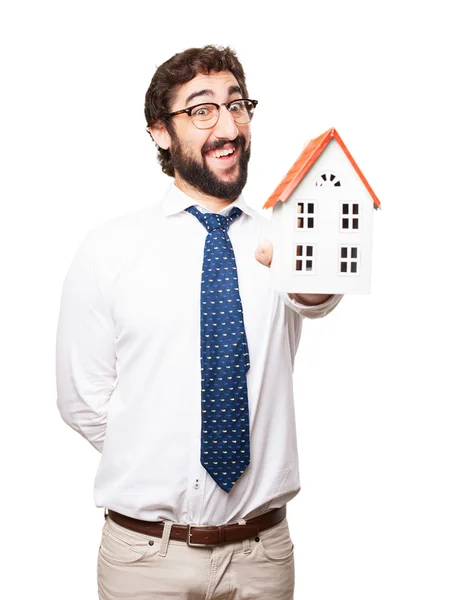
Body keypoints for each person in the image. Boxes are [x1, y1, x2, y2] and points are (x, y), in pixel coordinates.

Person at [56, 44, 342, 599]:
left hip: (262, 556)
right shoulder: (109, 250)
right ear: (161, 132)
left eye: (237, 105)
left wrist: (314, 275)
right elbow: (81, 400)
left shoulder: (281, 240)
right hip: (146, 559)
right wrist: (156, 453)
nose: (228, 125)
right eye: (202, 109)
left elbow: (317, 297)